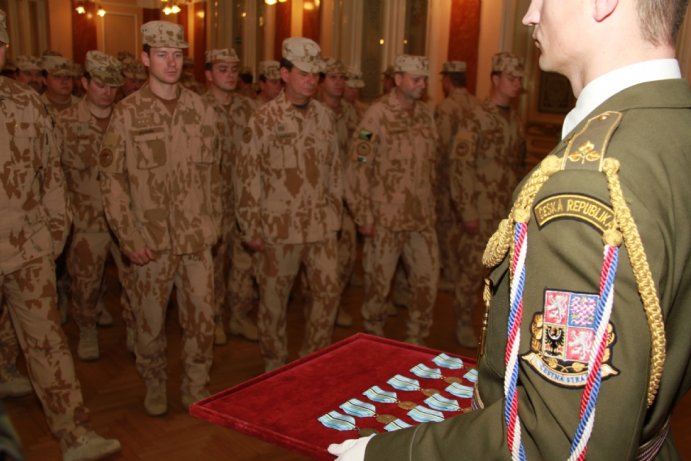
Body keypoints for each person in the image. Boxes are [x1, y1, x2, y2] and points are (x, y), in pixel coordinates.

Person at [329, 0, 691, 459]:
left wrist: (384, 453)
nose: (530, 15)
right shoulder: (673, 127)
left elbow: (553, 439)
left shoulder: (587, 187)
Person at [0, 10, 121, 461]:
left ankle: (75, 435)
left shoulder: (26, 103)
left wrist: (53, 234)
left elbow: (51, 175)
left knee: (49, 342)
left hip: (28, 249)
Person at [99, 20, 222, 416]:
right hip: (150, 244)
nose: (171, 63)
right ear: (146, 58)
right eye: (162, 55)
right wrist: (129, 237)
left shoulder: (202, 111)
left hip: (196, 240)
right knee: (149, 325)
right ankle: (154, 382)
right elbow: (112, 181)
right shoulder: (127, 114)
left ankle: (196, 384)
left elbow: (215, 177)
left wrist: (213, 224)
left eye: (177, 55)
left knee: (202, 321)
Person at [235, 37, 342, 372]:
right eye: (304, 73)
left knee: (328, 293)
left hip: (320, 227)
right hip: (277, 229)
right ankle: (275, 363)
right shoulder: (263, 120)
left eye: (316, 74)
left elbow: (335, 170)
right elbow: (247, 176)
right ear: (284, 73)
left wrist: (335, 215)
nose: (311, 80)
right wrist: (250, 226)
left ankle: (313, 358)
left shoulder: (325, 117)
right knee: (272, 302)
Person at [346, 54, 439, 345]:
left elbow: (431, 165)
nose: (422, 84)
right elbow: (357, 166)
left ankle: (416, 340)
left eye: (424, 79)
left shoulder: (426, 114)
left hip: (421, 218)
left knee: (427, 282)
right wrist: (363, 215)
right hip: (385, 219)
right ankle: (373, 340)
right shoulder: (377, 115)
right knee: (378, 287)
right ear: (398, 80)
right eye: (416, 79)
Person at [56, 50, 134, 361]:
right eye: (101, 85)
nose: (107, 92)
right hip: (87, 220)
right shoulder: (65, 122)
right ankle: (87, 329)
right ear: (85, 82)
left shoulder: (127, 119)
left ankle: (134, 329)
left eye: (113, 86)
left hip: (126, 218)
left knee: (133, 282)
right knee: (85, 283)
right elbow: (54, 175)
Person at [449, 52, 526, 348]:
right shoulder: (476, 117)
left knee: (504, 274)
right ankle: (461, 320)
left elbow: (518, 165)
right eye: (511, 78)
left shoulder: (516, 120)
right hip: (480, 208)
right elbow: (460, 166)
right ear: (495, 79)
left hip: (507, 211)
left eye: (520, 80)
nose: (516, 84)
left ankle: (495, 327)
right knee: (472, 271)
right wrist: (467, 209)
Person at [202, 48, 259, 344]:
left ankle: (238, 316)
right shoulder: (196, 109)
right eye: (222, 69)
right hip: (210, 204)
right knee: (212, 267)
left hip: (244, 201)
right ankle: (212, 319)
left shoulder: (250, 109)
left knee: (243, 264)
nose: (230, 75)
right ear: (209, 74)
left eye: (234, 69)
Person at [317, 57, 360, 328]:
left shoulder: (352, 112)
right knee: (320, 262)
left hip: (346, 196)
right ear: (322, 81)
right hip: (319, 198)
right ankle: (319, 309)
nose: (339, 83)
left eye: (342, 78)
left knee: (346, 255)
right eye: (333, 78)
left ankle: (337, 302)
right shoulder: (315, 112)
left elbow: (364, 147)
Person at [434, 60, 480, 296]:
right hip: (472, 179)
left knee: (447, 227)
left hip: (447, 178)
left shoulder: (447, 107)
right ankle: (464, 271)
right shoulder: (476, 104)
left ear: (447, 80)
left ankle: (451, 274)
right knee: (466, 231)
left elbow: (440, 146)